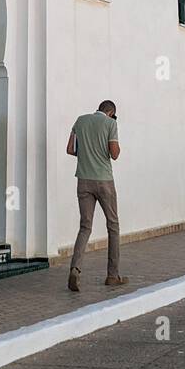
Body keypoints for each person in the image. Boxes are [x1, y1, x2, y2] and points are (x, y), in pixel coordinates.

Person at [66, 100, 128, 293]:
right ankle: (112, 275)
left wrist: (87, 156)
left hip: (83, 180)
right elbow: (114, 153)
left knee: (85, 227)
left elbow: (70, 149)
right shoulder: (111, 124)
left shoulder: (80, 120)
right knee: (113, 226)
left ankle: (75, 269)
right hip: (104, 181)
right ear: (111, 113)